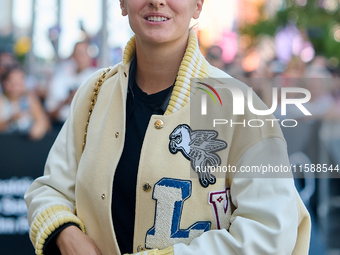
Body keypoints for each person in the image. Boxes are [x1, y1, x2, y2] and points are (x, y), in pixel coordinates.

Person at [25, 0, 311, 254]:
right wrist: (65, 233)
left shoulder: (242, 106)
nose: (156, 2)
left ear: (198, 5)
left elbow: (270, 231)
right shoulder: (94, 92)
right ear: (123, 4)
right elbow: (50, 189)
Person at [45, 41, 97, 128]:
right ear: (72, 56)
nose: (81, 58)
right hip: (60, 126)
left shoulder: (98, 77)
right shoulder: (60, 78)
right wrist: (67, 100)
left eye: (84, 53)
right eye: (78, 53)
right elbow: (50, 112)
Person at [0, 66, 50, 140]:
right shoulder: (2, 100)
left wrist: (38, 129)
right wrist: (10, 120)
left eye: (21, 81)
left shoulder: (30, 99)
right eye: (15, 82)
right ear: (5, 84)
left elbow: (43, 122)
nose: (19, 86)